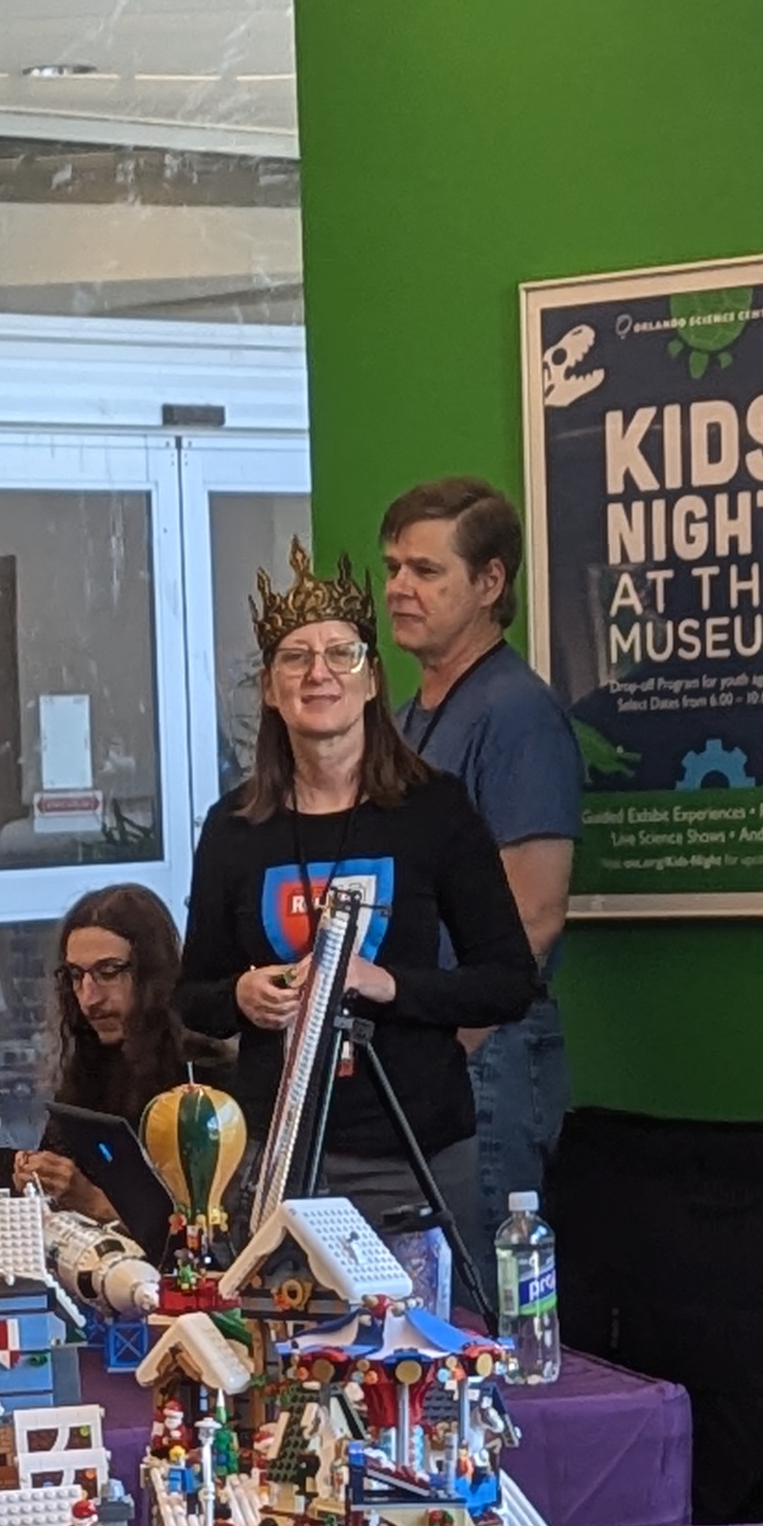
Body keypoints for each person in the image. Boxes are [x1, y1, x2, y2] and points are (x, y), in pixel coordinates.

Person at [183, 544, 535, 1270]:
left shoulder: (434, 810)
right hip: (276, 1160)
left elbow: (507, 981)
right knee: (282, 1340)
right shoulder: (234, 828)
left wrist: (386, 984)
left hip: (413, 1153)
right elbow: (193, 997)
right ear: (271, 690)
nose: (319, 673)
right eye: (296, 658)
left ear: (372, 679)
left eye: (341, 655)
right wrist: (241, 995)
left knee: (423, 1342)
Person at [383, 477, 582, 1216]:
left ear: (490, 582)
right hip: (418, 1047)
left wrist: (453, 1045)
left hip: (483, 1055)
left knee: (487, 1274)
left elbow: (535, 913)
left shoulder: (516, 713)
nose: (399, 588)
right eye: (393, 567)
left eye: (425, 570)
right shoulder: (405, 717)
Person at [18, 882, 224, 1254]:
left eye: (109, 972)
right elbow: (58, 1170)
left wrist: (91, 1201)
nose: (89, 997)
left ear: (153, 973)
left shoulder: (204, 1073)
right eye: (76, 975)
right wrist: (39, 1177)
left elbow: (206, 1237)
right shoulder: (88, 1066)